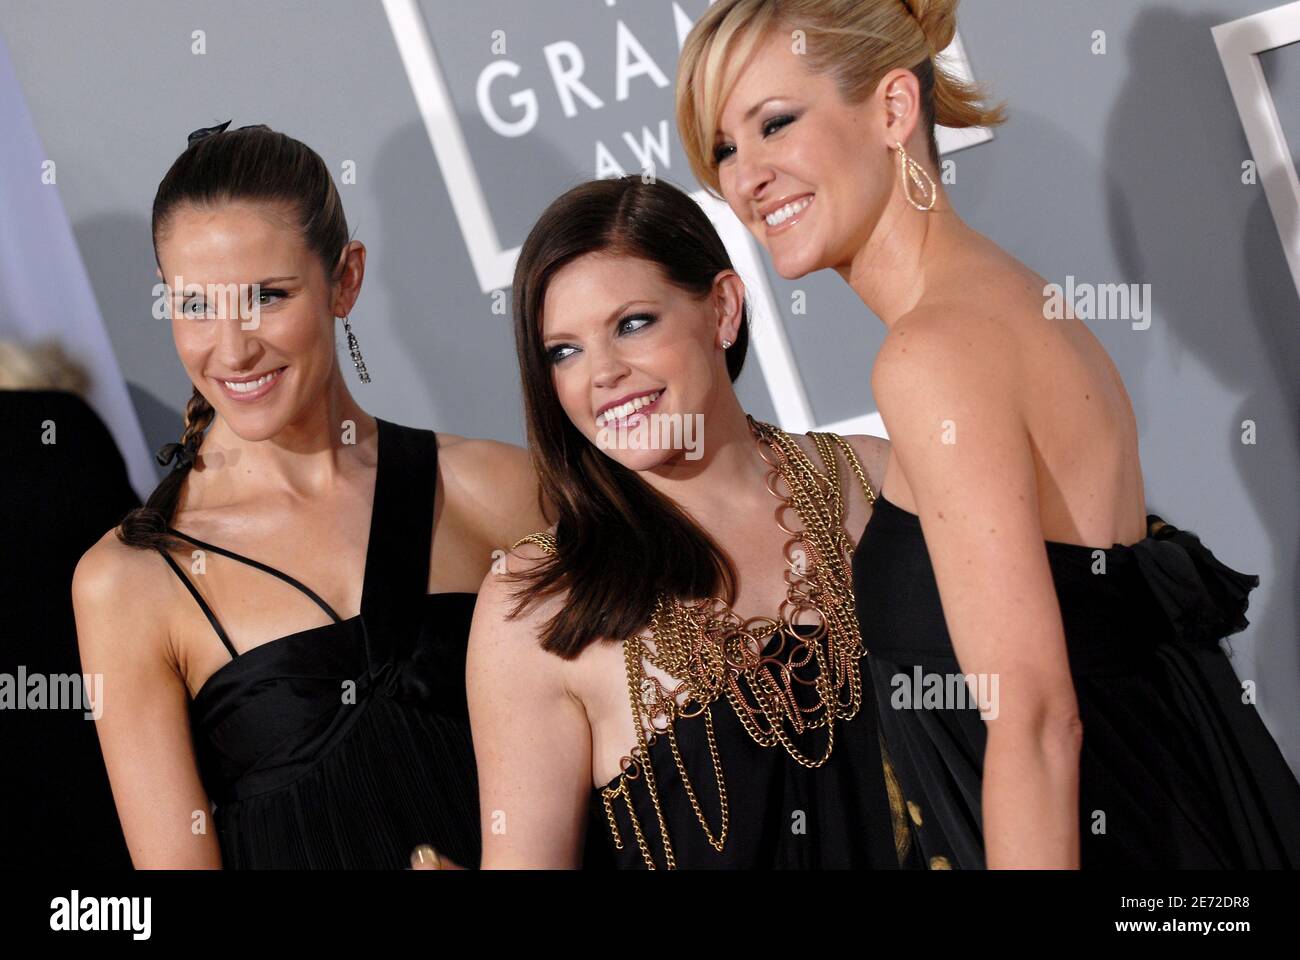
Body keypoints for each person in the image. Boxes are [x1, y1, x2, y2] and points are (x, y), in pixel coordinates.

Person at [677, 0, 1300, 868]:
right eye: (723, 150)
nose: (747, 177)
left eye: (775, 123)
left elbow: (1038, 722)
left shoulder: (932, 352)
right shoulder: (1005, 300)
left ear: (894, 110)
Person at [72, 122, 547, 869]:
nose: (231, 349)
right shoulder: (130, 584)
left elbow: (630, 778)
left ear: (345, 278)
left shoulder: (500, 490)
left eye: (267, 295)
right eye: (195, 305)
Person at [465, 175, 922, 869]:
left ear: (723, 310)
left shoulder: (876, 481)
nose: (602, 374)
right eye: (564, 351)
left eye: (632, 324)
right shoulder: (535, 604)